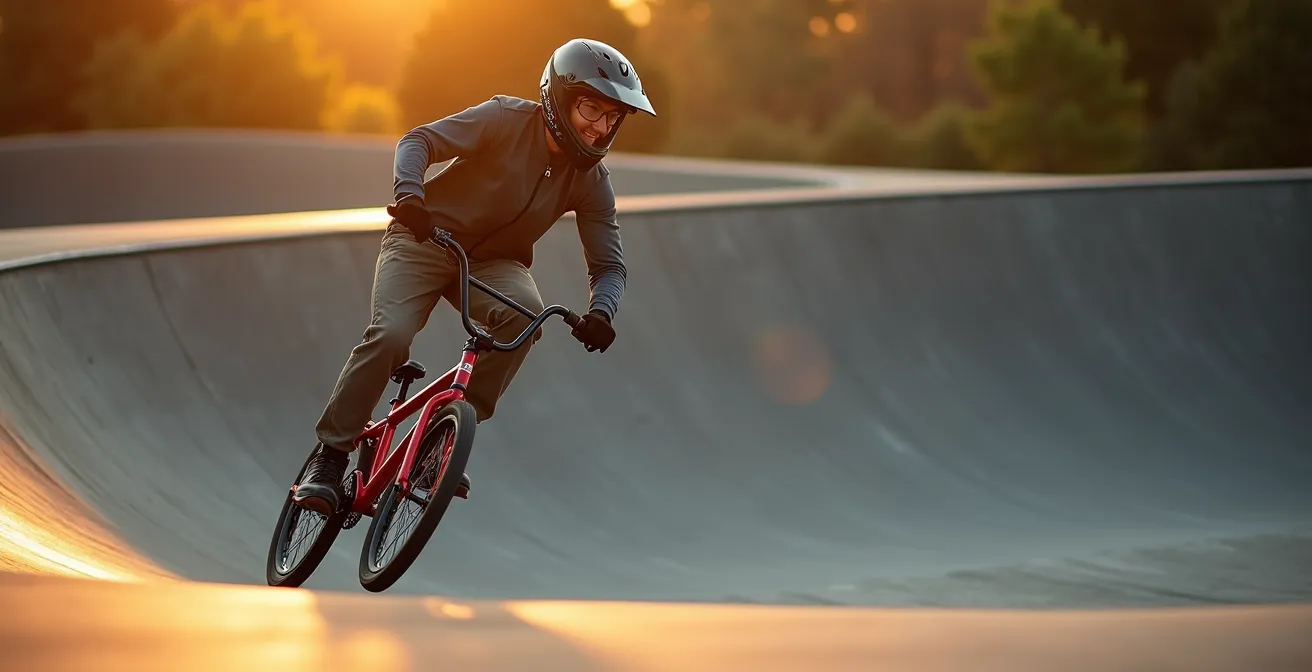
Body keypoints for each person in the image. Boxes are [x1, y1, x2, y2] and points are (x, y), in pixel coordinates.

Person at [292, 38, 657, 516]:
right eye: (592, 108)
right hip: (424, 238)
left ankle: (441, 445)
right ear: (559, 98)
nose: (601, 127)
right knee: (392, 335)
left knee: (526, 320)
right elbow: (418, 141)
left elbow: (609, 266)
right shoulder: (505, 118)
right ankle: (331, 454)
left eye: (614, 117)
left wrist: (602, 312)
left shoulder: (591, 181)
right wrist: (411, 197)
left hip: (493, 265)